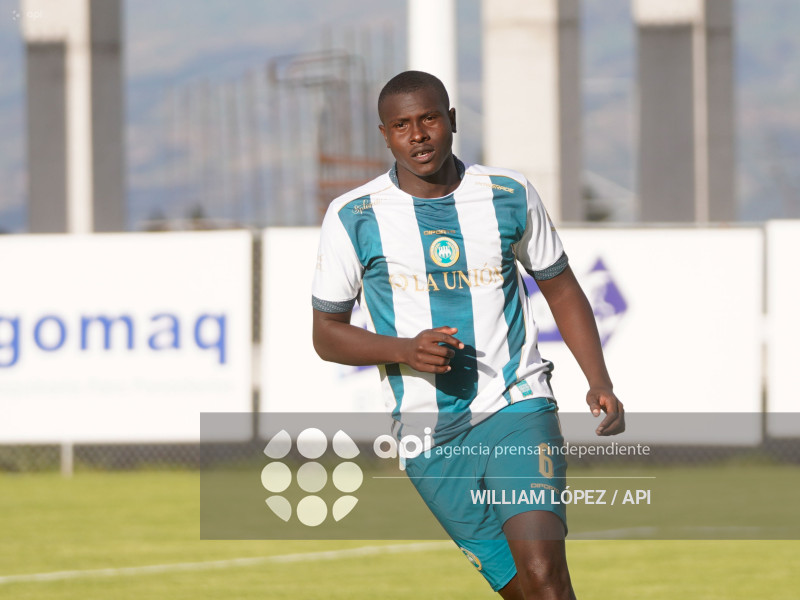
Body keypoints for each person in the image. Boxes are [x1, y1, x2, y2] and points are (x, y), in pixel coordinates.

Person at [311, 70, 624, 599]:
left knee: (545, 573)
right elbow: (327, 334)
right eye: (402, 125)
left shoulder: (508, 193)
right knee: (523, 590)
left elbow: (563, 289)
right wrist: (403, 350)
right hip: (426, 435)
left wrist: (599, 380)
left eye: (429, 118)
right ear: (384, 135)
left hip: (517, 406)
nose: (419, 135)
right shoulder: (353, 217)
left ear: (451, 120)